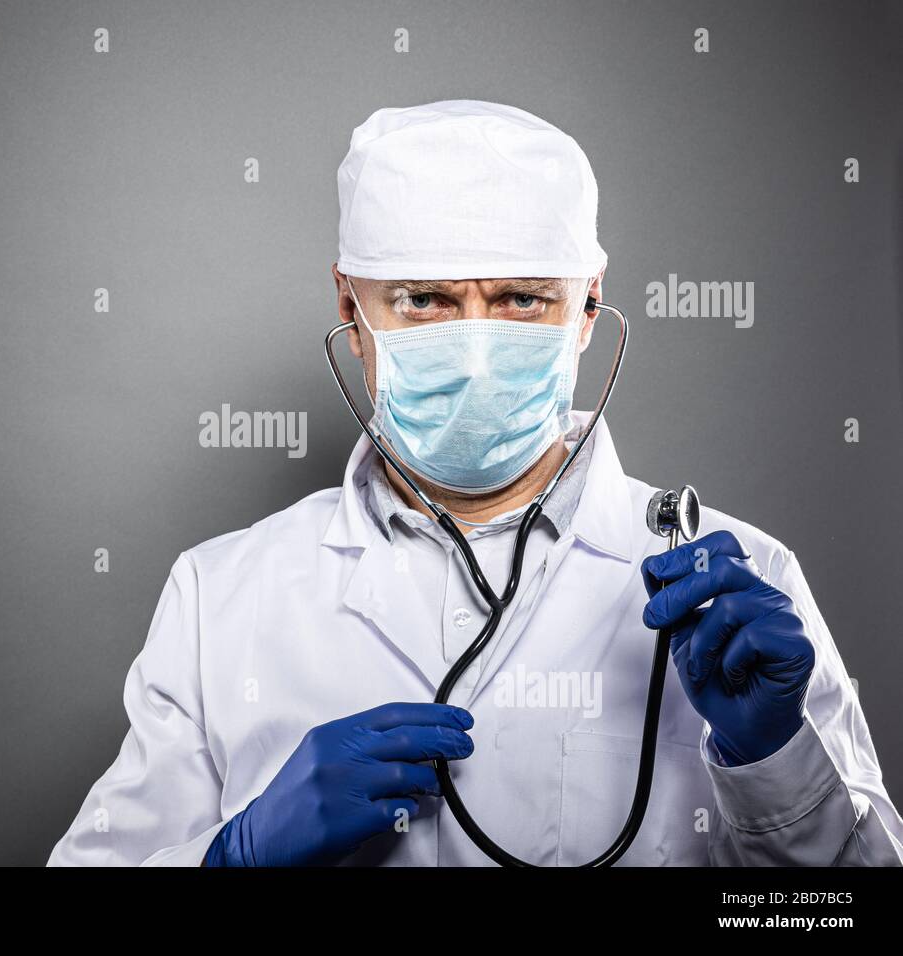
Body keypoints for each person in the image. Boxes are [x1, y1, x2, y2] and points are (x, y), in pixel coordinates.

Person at [47, 100, 903, 866]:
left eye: (523, 299)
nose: (478, 346)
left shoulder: (744, 580)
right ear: (351, 310)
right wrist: (234, 858)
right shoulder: (219, 597)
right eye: (423, 299)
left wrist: (776, 761)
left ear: (588, 307)